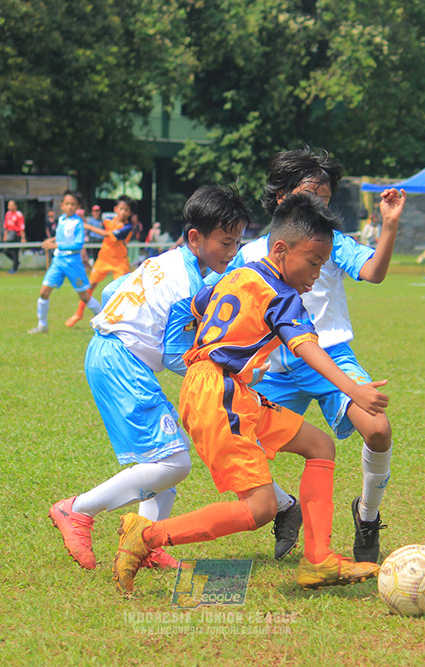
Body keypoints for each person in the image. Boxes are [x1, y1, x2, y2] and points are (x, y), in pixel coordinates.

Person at [112, 193, 389, 596]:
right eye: (312, 262)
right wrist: (352, 388)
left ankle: (318, 560)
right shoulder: (282, 295)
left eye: (322, 265)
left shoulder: (239, 273)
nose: (315, 274)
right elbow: (305, 346)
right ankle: (149, 535)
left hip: (223, 388)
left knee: (320, 446)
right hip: (217, 393)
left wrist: (214, 351)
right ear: (281, 249)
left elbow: (194, 305)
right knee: (260, 508)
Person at [216, 148, 406, 564]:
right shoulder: (249, 257)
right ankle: (285, 508)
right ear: (282, 197)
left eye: (325, 197)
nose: (320, 204)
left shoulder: (331, 241)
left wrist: (389, 225)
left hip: (331, 357)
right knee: (233, 441)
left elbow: (372, 270)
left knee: (377, 428)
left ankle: (367, 515)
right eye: (311, 194)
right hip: (274, 368)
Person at [48, 186, 249, 571]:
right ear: (195, 237)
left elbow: (111, 288)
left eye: (238, 241)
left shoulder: (166, 259)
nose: (233, 251)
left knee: (163, 458)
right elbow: (176, 352)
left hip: (110, 354)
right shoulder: (189, 286)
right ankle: (76, 509)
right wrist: (224, 372)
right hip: (122, 362)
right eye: (226, 241)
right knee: (175, 463)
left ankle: (144, 543)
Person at [28, 190, 101, 334]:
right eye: (67, 204)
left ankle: (106, 323)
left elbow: (78, 245)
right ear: (62, 205)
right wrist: (51, 240)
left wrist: (56, 245)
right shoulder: (61, 219)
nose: (70, 207)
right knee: (44, 292)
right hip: (58, 261)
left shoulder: (78, 223)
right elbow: (62, 237)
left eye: (73, 204)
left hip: (73, 263)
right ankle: (42, 326)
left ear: (77, 207)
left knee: (85, 297)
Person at [65, 196, 135, 328]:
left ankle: (121, 319)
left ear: (130, 213)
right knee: (89, 286)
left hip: (119, 261)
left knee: (121, 290)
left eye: (126, 210)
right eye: (121, 209)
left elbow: (107, 234)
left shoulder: (127, 227)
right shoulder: (108, 221)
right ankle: (79, 313)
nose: (123, 212)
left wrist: (86, 225)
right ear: (115, 209)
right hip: (103, 258)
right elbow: (100, 225)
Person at [3, 200, 26, 274]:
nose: (9, 206)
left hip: (16, 235)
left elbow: (21, 227)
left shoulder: (19, 214)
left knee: (14, 252)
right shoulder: (7, 214)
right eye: (9, 205)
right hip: (9, 235)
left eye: (11, 205)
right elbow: (6, 226)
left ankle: (14, 268)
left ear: (15, 206)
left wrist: (23, 238)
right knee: (6, 250)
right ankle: (16, 263)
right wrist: (5, 236)